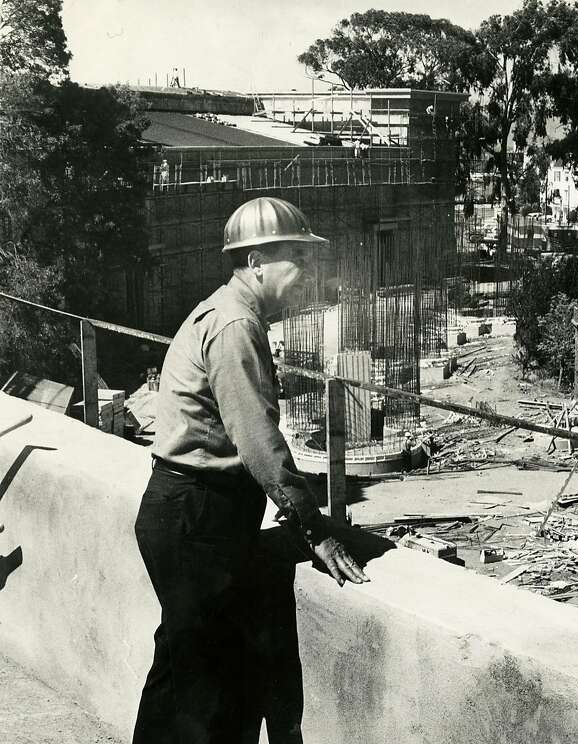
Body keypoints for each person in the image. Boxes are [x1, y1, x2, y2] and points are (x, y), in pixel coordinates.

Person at [133, 196, 368, 744]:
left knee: (180, 672)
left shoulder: (226, 311)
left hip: (194, 513)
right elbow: (260, 443)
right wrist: (315, 528)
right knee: (201, 691)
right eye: (295, 258)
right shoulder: (237, 324)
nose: (307, 273)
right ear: (257, 260)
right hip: (198, 516)